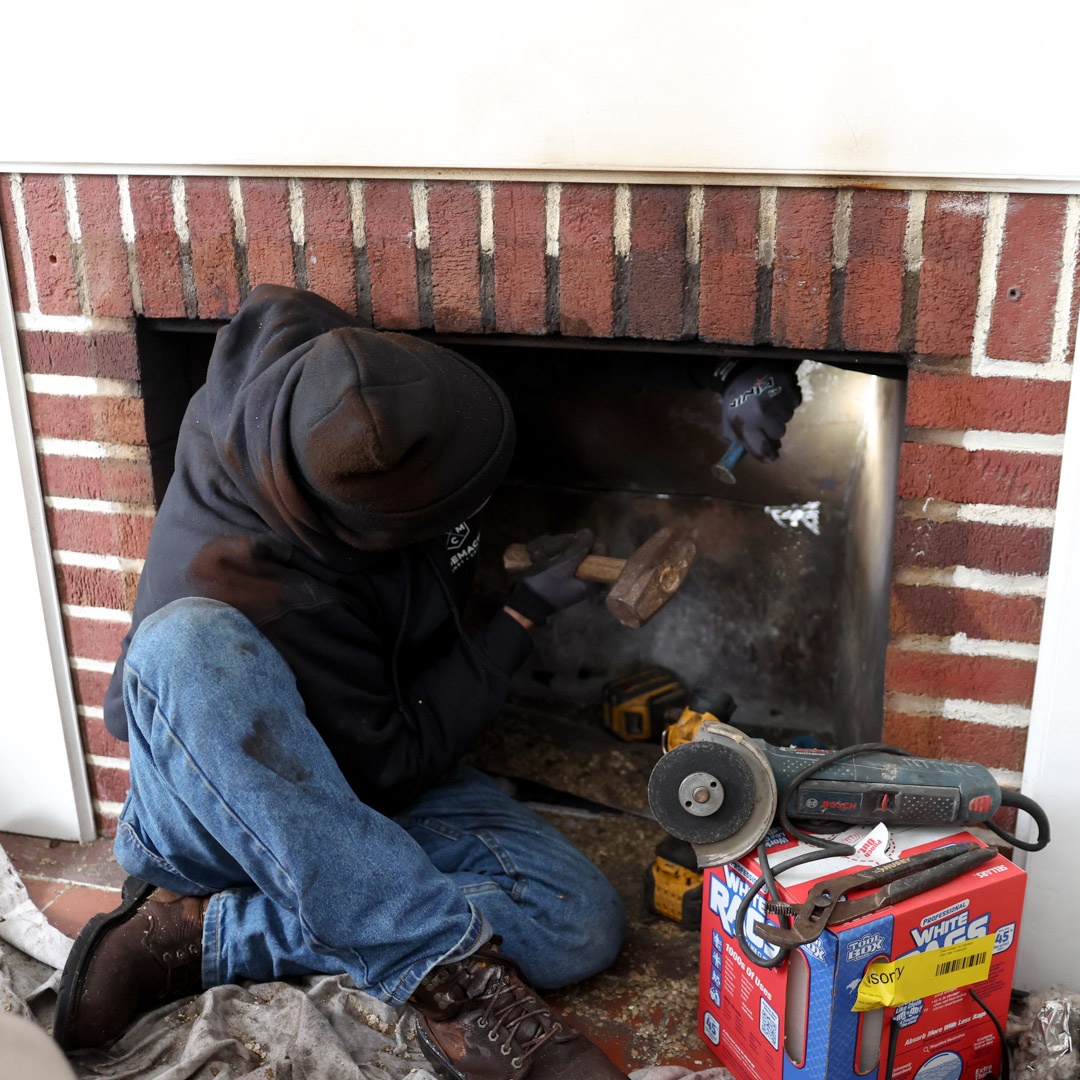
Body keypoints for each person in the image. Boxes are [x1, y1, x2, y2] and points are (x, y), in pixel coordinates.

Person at [54, 285, 800, 1078]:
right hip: (234, 804)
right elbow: (393, 761)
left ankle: (201, 940)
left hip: (362, 785)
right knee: (189, 644)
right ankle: (455, 985)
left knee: (577, 918)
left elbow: (522, 362)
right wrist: (517, 620)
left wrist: (721, 370)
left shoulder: (330, 362)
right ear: (368, 535)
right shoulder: (264, 588)